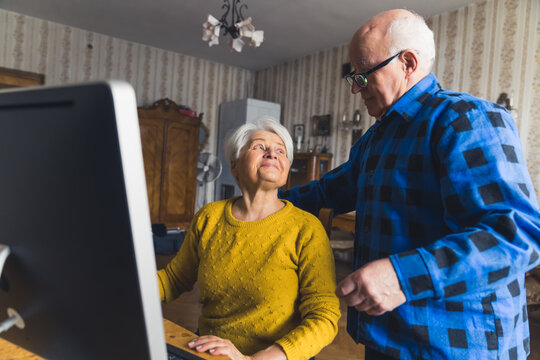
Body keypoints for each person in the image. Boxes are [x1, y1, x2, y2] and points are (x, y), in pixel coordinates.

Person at [280, 9, 540, 360]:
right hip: (387, 336)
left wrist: (403, 276)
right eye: (353, 78)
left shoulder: (466, 119)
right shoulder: (375, 139)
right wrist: (265, 200)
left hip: (458, 346)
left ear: (407, 62)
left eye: (364, 75)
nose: (356, 89)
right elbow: (328, 191)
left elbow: (516, 235)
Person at [158, 117, 340, 360]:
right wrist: (122, 287)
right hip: (211, 352)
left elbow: (324, 317)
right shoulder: (209, 217)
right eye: (259, 147)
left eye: (280, 151)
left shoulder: (306, 229)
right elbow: (173, 280)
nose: (272, 154)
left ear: (286, 169)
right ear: (234, 166)